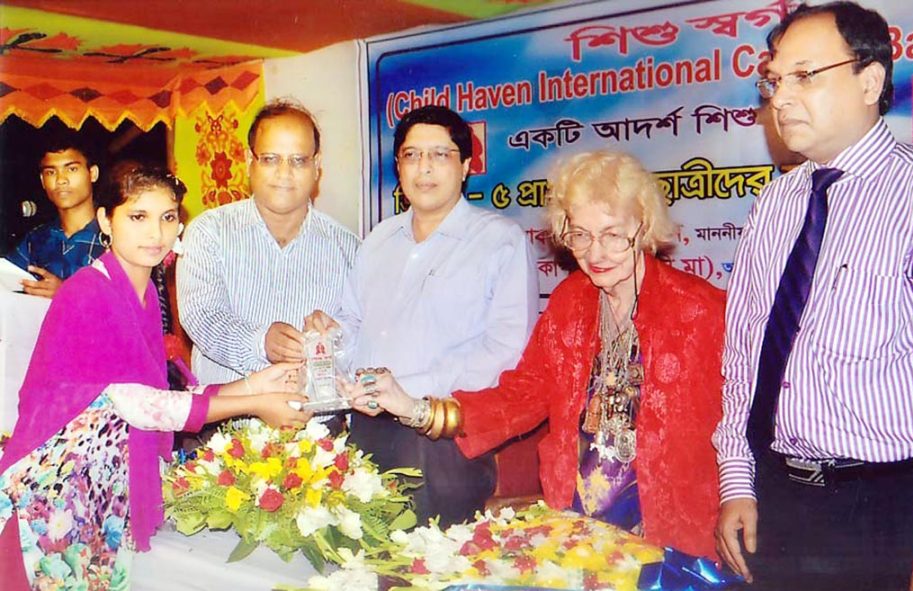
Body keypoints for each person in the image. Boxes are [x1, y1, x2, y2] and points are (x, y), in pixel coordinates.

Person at [343, 150, 725, 558]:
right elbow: (521, 396)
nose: (596, 254)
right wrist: (415, 407)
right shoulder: (570, 302)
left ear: (644, 226)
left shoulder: (699, 310)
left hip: (671, 530)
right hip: (580, 526)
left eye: (613, 235)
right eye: (580, 235)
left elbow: (737, 419)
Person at [0, 166, 311, 589]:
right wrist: (253, 402)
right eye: (138, 216)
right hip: (52, 494)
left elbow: (162, 392)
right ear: (106, 220)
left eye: (167, 217)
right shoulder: (88, 293)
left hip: (95, 490)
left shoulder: (144, 291)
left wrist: (259, 383)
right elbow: (138, 404)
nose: (156, 232)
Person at [711, 3, 913, 590]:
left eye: (806, 75)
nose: (779, 98)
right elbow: (744, 354)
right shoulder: (775, 203)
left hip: (890, 509)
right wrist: (738, 481)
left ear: (871, 81)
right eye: (774, 80)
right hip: (779, 500)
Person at [310, 105, 538, 526]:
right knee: (363, 565)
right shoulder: (378, 239)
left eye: (440, 155)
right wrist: (330, 338)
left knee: (436, 570)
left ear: (466, 165)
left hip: (442, 439)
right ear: (398, 166)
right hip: (366, 428)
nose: (424, 169)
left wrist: (407, 394)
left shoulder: (499, 241)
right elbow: (355, 322)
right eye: (412, 156)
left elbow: (504, 350)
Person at [177, 99, 360, 390]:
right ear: (250, 162)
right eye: (271, 159)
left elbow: (359, 334)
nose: (284, 173)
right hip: (227, 425)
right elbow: (202, 317)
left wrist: (337, 337)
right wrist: (261, 342)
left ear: (316, 166)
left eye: (298, 160)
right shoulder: (209, 232)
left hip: (319, 426)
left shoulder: (349, 248)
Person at [4, 130, 105, 298]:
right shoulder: (35, 240)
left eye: (71, 169)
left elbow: (132, 303)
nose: (60, 180)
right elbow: (7, 280)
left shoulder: (114, 235)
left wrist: (67, 293)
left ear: (92, 174)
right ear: (43, 181)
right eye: (51, 172)